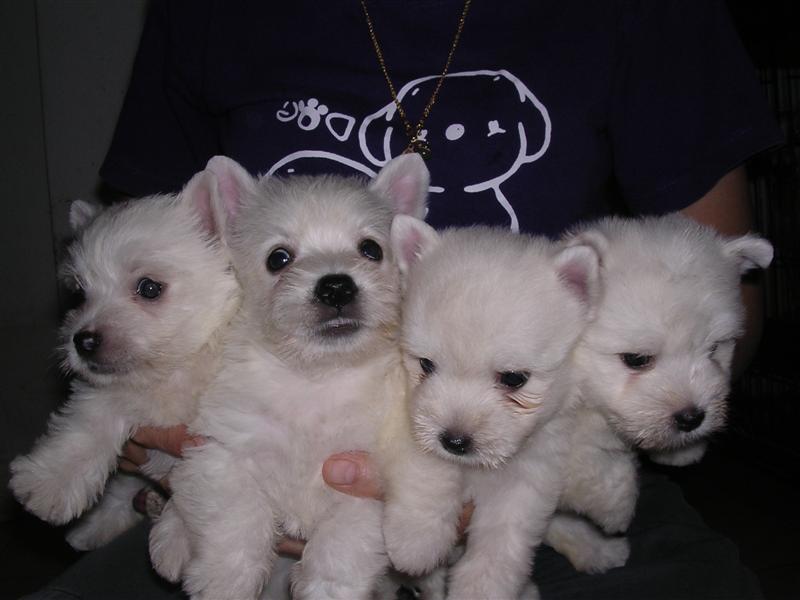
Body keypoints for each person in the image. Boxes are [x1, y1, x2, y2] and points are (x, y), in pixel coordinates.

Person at [26, 1, 782, 599]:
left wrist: (536, 450)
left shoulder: (647, 16)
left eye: (368, 249)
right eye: (282, 258)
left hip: (548, 463)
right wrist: (155, 449)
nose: (330, 277)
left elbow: (708, 323)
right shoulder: (208, 14)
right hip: (220, 481)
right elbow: (142, 272)